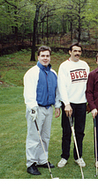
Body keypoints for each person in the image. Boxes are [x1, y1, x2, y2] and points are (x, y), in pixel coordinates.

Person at [23, 45, 61, 175]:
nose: (45, 58)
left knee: (45, 136)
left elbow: (56, 91)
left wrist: (57, 105)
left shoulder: (53, 73)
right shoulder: (32, 72)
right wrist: (32, 108)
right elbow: (29, 92)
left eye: (47, 56)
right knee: (34, 137)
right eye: (43, 56)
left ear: (50, 57)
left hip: (48, 108)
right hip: (36, 109)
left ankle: (42, 159)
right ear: (38, 57)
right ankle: (31, 163)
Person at [57, 43, 90, 168]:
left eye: (79, 51)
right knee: (67, 132)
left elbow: (87, 85)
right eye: (75, 51)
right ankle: (64, 156)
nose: (77, 53)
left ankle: (78, 156)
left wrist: (88, 102)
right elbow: (62, 86)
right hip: (69, 104)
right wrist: (66, 104)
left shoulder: (84, 65)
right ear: (69, 52)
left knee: (80, 131)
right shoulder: (64, 66)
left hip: (81, 103)